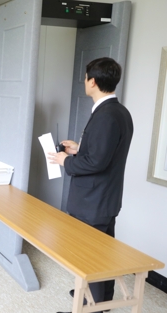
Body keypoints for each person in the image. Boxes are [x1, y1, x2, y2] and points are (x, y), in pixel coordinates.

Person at [49, 57, 133, 313]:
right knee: (102, 257)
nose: (84, 82)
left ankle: (92, 308)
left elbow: (97, 162)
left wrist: (66, 161)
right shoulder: (119, 111)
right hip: (104, 199)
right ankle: (100, 303)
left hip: (93, 203)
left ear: (93, 81)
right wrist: (79, 148)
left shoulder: (106, 115)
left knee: (90, 259)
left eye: (86, 78)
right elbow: (103, 153)